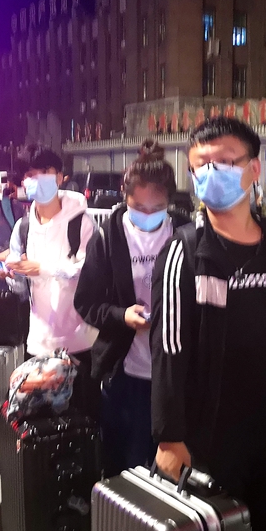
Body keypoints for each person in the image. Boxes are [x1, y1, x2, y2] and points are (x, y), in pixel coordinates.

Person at [151, 118, 266, 531]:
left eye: (224, 162)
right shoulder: (184, 252)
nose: (210, 173)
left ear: (254, 169)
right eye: (200, 166)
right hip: (214, 442)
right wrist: (169, 438)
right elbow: (169, 351)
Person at [74, 141, 191, 476]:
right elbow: (86, 302)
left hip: (174, 376)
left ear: (170, 204)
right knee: (125, 465)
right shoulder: (108, 236)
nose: (148, 215)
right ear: (125, 198)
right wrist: (121, 316)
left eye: (158, 208)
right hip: (126, 375)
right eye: (139, 207)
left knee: (173, 469)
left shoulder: (184, 232)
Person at [0, 147, 99, 417]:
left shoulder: (82, 223)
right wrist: (11, 273)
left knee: (82, 420)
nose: (38, 179)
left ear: (60, 177)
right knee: (40, 423)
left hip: (80, 342)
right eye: (31, 174)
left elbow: (90, 271)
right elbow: (22, 287)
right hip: (39, 343)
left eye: (45, 172)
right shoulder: (23, 227)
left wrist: (41, 268)